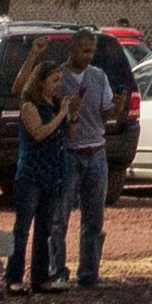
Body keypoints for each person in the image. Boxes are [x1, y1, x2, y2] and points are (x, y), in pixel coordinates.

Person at [6, 50, 72, 296]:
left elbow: (68, 134)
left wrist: (71, 115)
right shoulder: (29, 106)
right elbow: (39, 133)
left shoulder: (54, 105)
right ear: (41, 81)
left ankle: (40, 277)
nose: (58, 86)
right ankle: (13, 277)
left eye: (60, 80)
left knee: (44, 228)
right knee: (23, 227)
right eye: (54, 80)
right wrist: (61, 116)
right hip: (31, 172)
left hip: (53, 171)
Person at [59, 31, 117, 290]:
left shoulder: (98, 76)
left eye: (91, 51)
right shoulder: (58, 78)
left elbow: (106, 113)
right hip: (69, 152)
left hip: (96, 151)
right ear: (72, 49)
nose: (88, 55)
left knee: (94, 217)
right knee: (59, 216)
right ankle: (56, 270)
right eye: (83, 50)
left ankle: (89, 273)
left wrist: (117, 107)